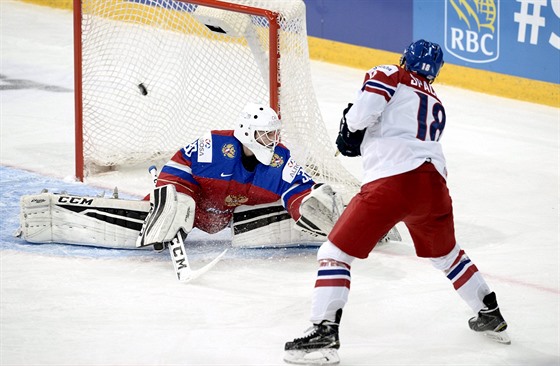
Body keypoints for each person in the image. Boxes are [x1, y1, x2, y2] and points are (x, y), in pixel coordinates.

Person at [283, 40, 510, 365]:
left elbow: (364, 114)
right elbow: (398, 133)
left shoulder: (391, 74)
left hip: (393, 183)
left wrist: (350, 126)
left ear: (405, 59)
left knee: (334, 253)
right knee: (447, 255)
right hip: (434, 187)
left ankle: (323, 335)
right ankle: (490, 312)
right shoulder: (436, 102)